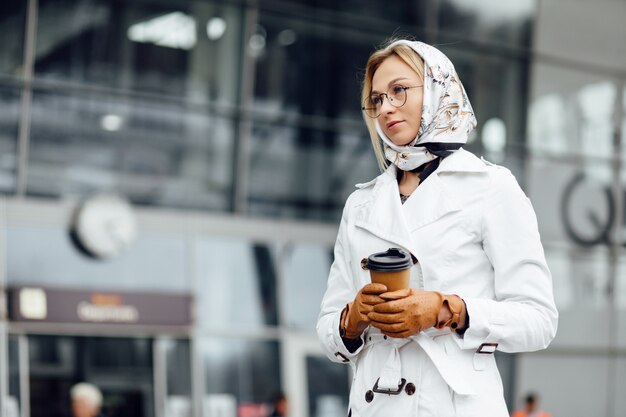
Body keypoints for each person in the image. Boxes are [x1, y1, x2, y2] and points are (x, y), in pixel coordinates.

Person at [316, 37, 558, 417]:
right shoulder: (361, 204)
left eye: (399, 91)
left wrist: (445, 310)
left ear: (437, 89)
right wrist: (355, 315)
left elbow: (539, 321)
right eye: (377, 99)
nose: (386, 108)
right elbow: (328, 330)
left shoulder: (491, 187)